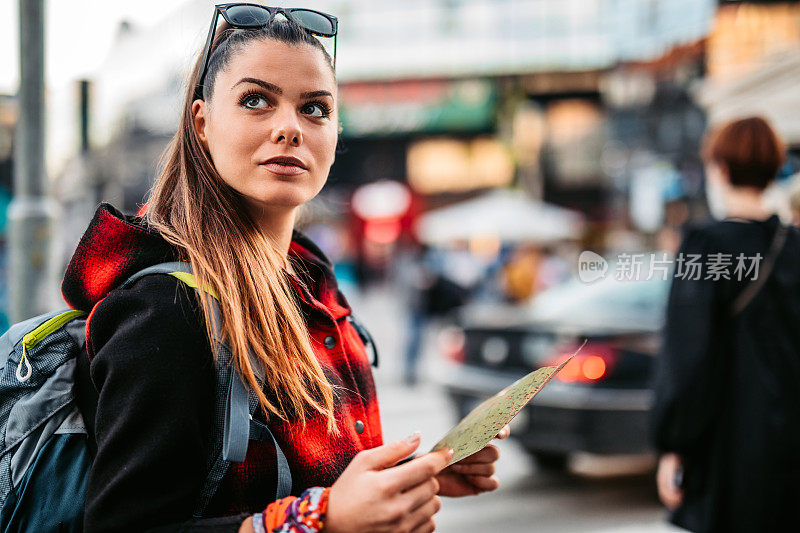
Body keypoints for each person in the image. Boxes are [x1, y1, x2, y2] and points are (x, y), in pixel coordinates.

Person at [64, 5, 507, 532]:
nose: (289, 128)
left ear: (337, 131)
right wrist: (320, 521)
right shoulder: (168, 308)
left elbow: (305, 474)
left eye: (315, 108)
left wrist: (414, 474)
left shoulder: (311, 284)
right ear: (202, 123)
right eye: (256, 101)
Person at [651, 116, 800, 532]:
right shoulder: (795, 246)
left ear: (719, 169)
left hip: (730, 452)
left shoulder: (704, 246)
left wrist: (673, 446)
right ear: (774, 169)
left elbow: (687, 358)